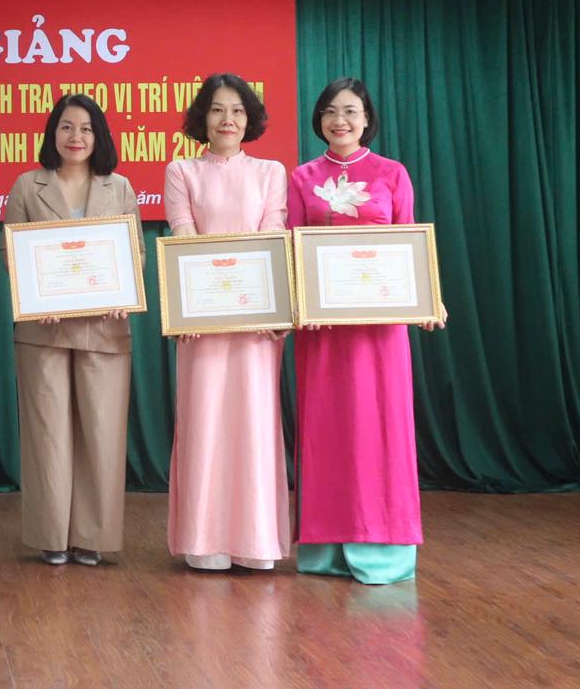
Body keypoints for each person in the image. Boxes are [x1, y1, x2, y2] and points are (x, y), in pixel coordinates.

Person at [287, 77, 446, 585]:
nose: (340, 121)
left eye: (351, 111)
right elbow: (291, 247)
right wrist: (297, 305)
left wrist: (429, 298)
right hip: (324, 329)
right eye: (331, 111)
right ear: (318, 119)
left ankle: (384, 550)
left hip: (379, 329)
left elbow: (409, 241)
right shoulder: (302, 177)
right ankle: (325, 549)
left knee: (381, 428)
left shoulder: (392, 173)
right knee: (327, 429)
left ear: (367, 119)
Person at [162, 72, 291, 572]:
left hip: (257, 323)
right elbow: (184, 238)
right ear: (203, 116)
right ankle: (204, 542)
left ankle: (255, 542)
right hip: (202, 322)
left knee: (253, 423)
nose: (227, 119)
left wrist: (275, 310)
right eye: (217, 109)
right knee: (205, 422)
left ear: (250, 118)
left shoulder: (270, 172)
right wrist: (188, 309)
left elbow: (273, 238)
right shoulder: (182, 171)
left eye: (237, 110)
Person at [4, 94, 139, 567]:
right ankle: (52, 536)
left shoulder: (119, 188)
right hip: (44, 332)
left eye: (85, 128)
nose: (75, 136)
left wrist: (125, 292)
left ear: (98, 136)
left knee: (101, 434)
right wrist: (34, 296)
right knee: (48, 437)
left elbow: (135, 255)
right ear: (52, 134)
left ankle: (92, 537)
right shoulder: (27, 185)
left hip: (105, 330)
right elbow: (11, 254)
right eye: (66, 127)